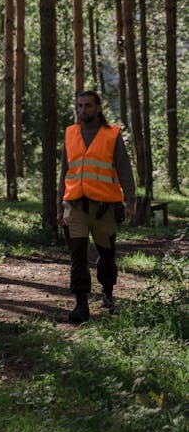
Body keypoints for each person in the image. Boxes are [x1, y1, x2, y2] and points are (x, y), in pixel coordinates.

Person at [57, 90, 135, 323]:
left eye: (88, 106)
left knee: (107, 255)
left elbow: (124, 169)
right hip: (74, 206)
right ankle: (81, 305)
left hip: (104, 209)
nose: (83, 110)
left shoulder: (112, 134)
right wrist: (59, 205)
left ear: (99, 107)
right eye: (80, 106)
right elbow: (64, 171)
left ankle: (108, 293)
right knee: (77, 255)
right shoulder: (70, 133)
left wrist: (130, 201)